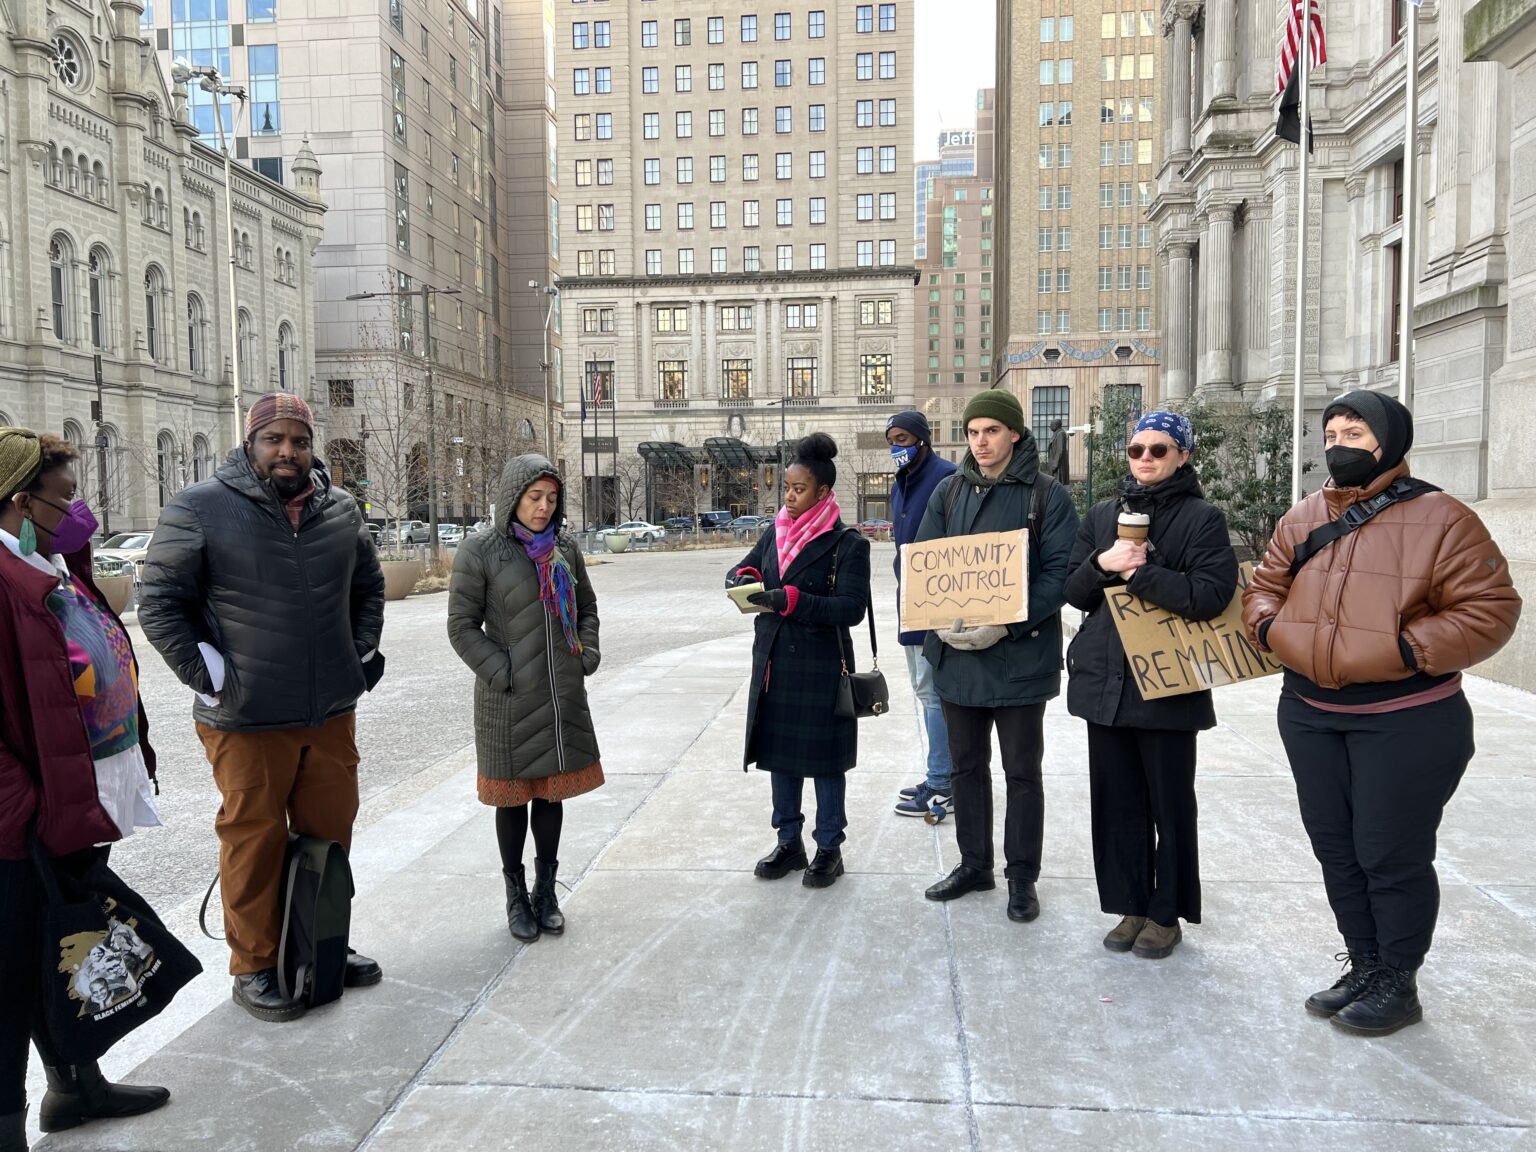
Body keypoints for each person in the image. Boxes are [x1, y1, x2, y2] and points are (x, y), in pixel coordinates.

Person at [1244, 390, 1520, 1036]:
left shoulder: (1443, 518)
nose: (1339, 443)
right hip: (1310, 711)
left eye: (1355, 432)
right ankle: (1364, 962)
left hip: (1406, 717)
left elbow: (1492, 608)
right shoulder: (1303, 516)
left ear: (1389, 441)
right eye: (1331, 431)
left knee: (1387, 851)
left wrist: (1406, 647)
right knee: (1336, 847)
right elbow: (1263, 588)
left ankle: (1399, 978)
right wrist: (1270, 632)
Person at [139, 393, 386, 1023]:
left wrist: (357, 655)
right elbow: (161, 603)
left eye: (299, 440)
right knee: (254, 840)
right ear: (251, 443)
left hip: (329, 712)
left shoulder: (339, 508)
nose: (288, 451)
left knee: (330, 837)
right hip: (246, 719)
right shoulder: (200, 507)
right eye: (274, 439)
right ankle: (253, 964)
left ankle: (320, 940)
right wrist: (209, 677)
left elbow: (368, 588)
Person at [0, 427, 170, 1148]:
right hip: (20, 819)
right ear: (19, 499)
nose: (78, 511)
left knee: (65, 944)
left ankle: (76, 1086)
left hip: (73, 797)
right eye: (64, 497)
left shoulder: (46, 565)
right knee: (9, 976)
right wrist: (23, 807)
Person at [1064, 411, 1238, 959]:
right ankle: (1130, 905)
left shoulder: (1202, 518)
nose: (1145, 459)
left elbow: (1211, 595)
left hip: (1166, 686)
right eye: (1137, 449)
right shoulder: (1100, 515)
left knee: (1169, 805)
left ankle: (1166, 913)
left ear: (1183, 456)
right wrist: (1103, 563)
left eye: (1158, 450)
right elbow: (1073, 589)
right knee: (1116, 805)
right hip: (1105, 685)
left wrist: (1140, 573)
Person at [918, 390, 1079, 921]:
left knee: (1021, 772)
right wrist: (944, 626)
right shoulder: (947, 493)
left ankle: (1021, 876)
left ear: (1014, 433)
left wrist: (1005, 623)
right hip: (958, 657)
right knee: (965, 768)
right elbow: (926, 569)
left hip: (1018, 661)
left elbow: (1060, 575)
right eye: (972, 432)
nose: (980, 442)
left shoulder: (1047, 496)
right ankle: (974, 864)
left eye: (991, 430)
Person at [447, 455, 602, 942]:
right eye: (534, 498)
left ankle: (546, 892)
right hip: (508, 699)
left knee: (552, 796)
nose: (542, 508)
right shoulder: (482, 551)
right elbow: (461, 626)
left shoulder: (566, 551)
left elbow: (588, 608)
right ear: (513, 497)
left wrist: (586, 651)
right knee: (513, 801)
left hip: (560, 697)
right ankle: (516, 897)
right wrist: (503, 670)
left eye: (551, 499)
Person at [728, 433, 871, 888]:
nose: (788, 497)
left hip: (823, 668)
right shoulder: (775, 532)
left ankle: (829, 847)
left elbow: (851, 609)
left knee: (826, 762)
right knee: (781, 760)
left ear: (823, 492)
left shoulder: (848, 543)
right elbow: (748, 566)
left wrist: (793, 600)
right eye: (786, 488)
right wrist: (743, 576)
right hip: (773, 664)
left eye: (798, 489)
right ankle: (789, 841)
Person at [885, 410, 957, 819]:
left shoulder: (946, 478)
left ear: (923, 440)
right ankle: (940, 774)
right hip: (909, 602)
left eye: (904, 438)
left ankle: (942, 783)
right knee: (925, 692)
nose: (897, 446)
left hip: (938, 604)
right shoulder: (900, 484)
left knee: (933, 695)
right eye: (891, 439)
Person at [1046, 418, 1071, 486]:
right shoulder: (1057, 434)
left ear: (1056, 425)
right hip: (1055, 466)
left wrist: (1055, 465)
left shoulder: (1060, 434)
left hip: (1058, 467)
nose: (1050, 426)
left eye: (1051, 424)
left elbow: (1060, 450)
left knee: (1056, 485)